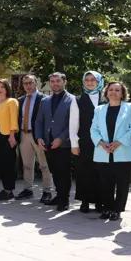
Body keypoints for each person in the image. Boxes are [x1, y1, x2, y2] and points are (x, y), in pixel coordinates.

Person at [90, 82, 131, 221]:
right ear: (106, 92)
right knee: (105, 182)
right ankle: (107, 208)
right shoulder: (99, 109)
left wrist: (118, 143)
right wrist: (101, 143)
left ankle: (117, 209)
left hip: (123, 150)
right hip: (103, 150)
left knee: (122, 183)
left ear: (122, 93)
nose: (113, 92)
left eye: (117, 90)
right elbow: (93, 129)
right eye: (111, 90)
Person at [34, 72, 79, 211]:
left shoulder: (73, 100)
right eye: (52, 81)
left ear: (64, 82)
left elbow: (73, 123)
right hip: (48, 142)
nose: (55, 84)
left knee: (63, 172)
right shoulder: (44, 101)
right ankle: (59, 195)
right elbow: (39, 120)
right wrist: (39, 137)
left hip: (64, 143)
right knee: (54, 171)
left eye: (58, 81)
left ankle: (64, 199)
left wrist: (61, 138)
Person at [16, 74, 52, 202]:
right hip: (24, 134)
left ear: (36, 83)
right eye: (25, 83)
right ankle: (28, 190)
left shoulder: (45, 99)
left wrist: (44, 136)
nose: (28, 86)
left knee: (44, 165)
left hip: (39, 136)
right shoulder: (20, 100)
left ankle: (47, 191)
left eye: (31, 83)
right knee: (27, 165)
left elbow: (48, 120)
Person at [74, 71, 105, 213]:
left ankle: (100, 201)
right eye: (87, 80)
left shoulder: (106, 98)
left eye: (93, 80)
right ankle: (84, 201)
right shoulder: (78, 100)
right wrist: (74, 143)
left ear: (99, 82)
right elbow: (74, 123)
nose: (90, 82)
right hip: (84, 141)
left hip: (103, 141)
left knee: (101, 171)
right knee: (84, 171)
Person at [0, 79, 19, 200]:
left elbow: (14, 119)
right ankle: (5, 188)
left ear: (7, 88)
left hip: (7, 137)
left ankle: (9, 190)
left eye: (2, 87)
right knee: (0, 164)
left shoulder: (11, 101)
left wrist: (12, 136)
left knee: (8, 164)